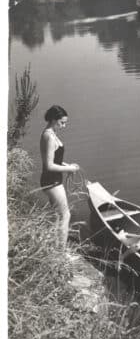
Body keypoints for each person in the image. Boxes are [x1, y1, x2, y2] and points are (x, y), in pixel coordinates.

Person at [40, 105, 80, 248]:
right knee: (65, 215)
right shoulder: (49, 137)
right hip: (52, 182)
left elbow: (54, 159)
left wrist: (67, 165)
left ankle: (55, 247)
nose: (64, 125)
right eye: (61, 122)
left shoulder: (50, 133)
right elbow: (49, 165)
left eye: (65, 122)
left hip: (51, 180)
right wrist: (68, 168)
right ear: (52, 119)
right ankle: (62, 253)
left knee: (57, 216)